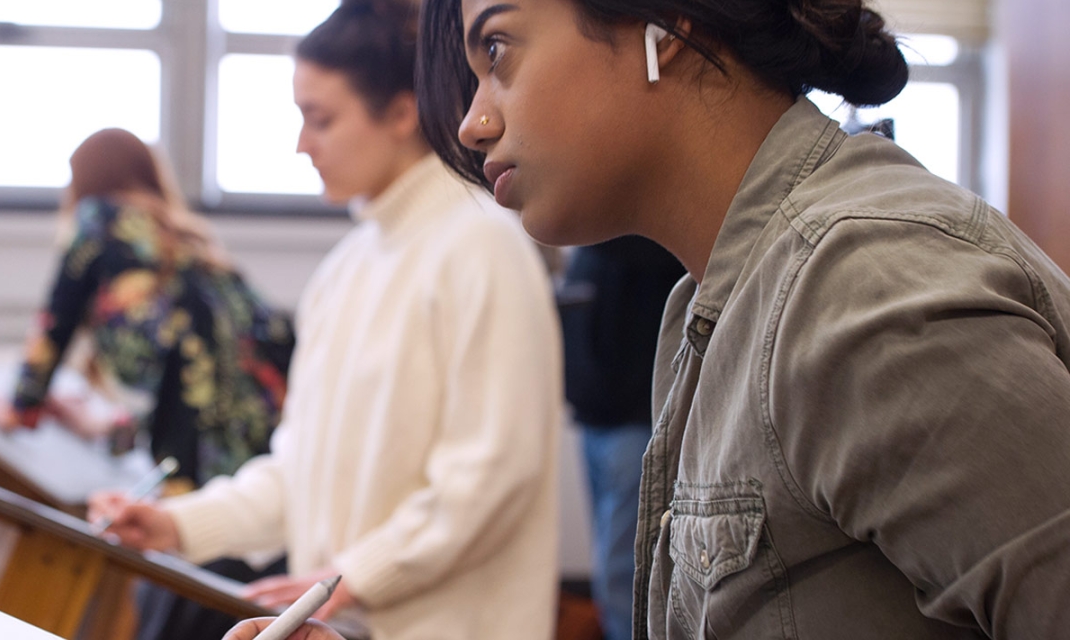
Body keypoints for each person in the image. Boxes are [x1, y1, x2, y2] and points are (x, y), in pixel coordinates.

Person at [408, 0, 1070, 639]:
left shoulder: (861, 290)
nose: (473, 123)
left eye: (497, 50)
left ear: (662, 25)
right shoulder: (710, 303)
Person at [93, 2, 565, 639]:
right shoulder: (347, 266)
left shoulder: (482, 246)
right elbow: (299, 470)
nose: (301, 143)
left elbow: (491, 477)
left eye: (320, 119)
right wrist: (179, 524)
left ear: (401, 113)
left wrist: (352, 575)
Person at [0, 128, 295, 488]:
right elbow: (193, 391)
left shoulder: (99, 218)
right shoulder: (191, 243)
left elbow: (54, 325)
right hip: (264, 436)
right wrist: (101, 427)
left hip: (199, 454)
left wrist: (18, 408)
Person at [558, 238, 683, 640]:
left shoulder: (642, 240)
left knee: (625, 578)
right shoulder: (593, 245)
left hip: (636, 425)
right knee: (613, 571)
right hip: (599, 420)